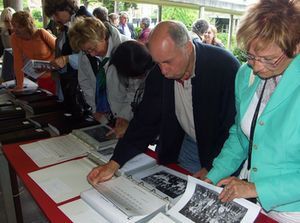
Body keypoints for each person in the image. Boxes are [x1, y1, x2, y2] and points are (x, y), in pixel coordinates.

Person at [87, 21, 240, 185]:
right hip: (188, 142)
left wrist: (212, 167)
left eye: (167, 62)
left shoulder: (224, 67)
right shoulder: (159, 73)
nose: (163, 70)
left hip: (221, 149)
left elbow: (233, 130)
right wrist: (114, 163)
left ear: (187, 48)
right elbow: (145, 122)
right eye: (157, 63)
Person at [205, 0, 300, 222]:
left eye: (268, 59)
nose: (256, 67)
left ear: (295, 47)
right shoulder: (244, 75)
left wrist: (255, 188)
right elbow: (240, 136)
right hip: (253, 203)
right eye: (250, 55)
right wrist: (213, 176)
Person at [68, 17, 130, 125]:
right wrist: (95, 108)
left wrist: (124, 117)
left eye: (93, 48)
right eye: (87, 51)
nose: (91, 54)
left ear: (103, 36)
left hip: (127, 117)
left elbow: (135, 90)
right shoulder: (85, 53)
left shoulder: (128, 50)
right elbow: (85, 82)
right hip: (104, 117)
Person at [44, 0, 92, 115]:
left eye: (56, 14)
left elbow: (91, 55)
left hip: (84, 89)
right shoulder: (68, 24)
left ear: (65, 8)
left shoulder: (84, 21)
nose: (55, 19)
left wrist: (66, 59)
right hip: (71, 86)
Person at [106, 40, 154, 137]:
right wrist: (122, 118)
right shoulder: (130, 64)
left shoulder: (157, 69)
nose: (139, 78)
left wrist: (132, 127)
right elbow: (133, 94)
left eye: (142, 74)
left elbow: (155, 108)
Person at [10, 11, 56, 93]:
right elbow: (18, 62)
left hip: (56, 75)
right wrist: (19, 85)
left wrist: (49, 64)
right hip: (41, 77)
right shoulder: (14, 38)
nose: (15, 30)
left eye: (19, 27)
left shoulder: (41, 33)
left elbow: (59, 50)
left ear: (28, 26)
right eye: (14, 26)